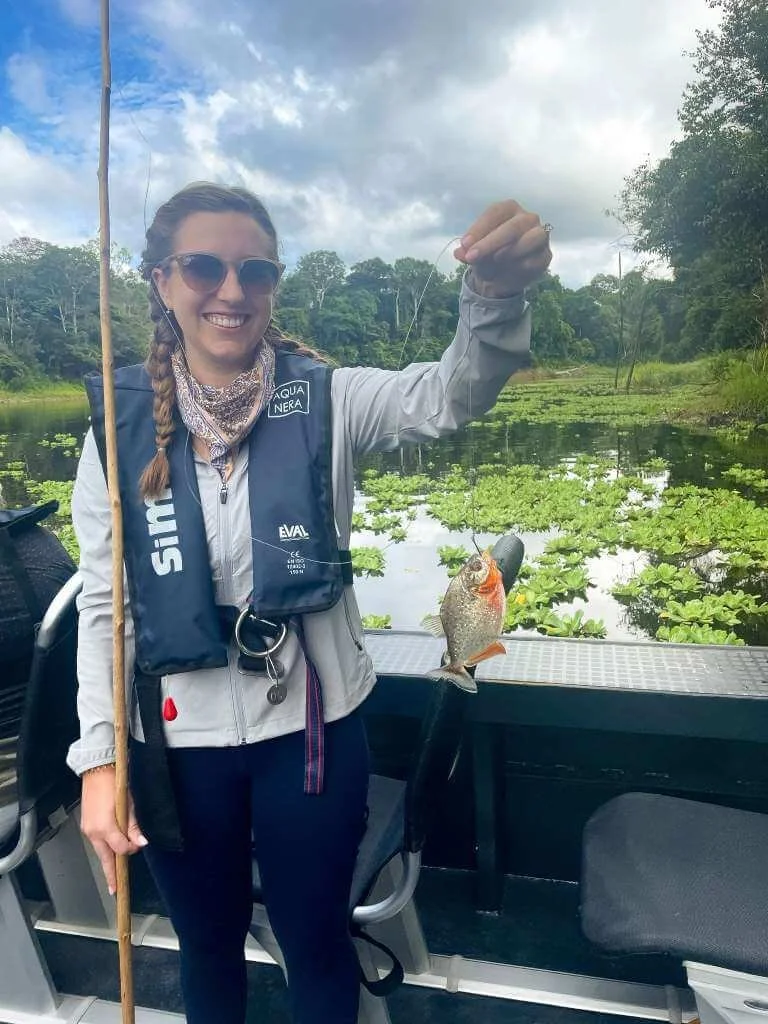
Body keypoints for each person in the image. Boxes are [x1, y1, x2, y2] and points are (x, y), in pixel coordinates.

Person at [66, 181, 551, 1024]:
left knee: (316, 939)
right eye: (203, 267)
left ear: (273, 283)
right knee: (206, 947)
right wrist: (101, 763)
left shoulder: (329, 398)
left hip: (314, 735)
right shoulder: (116, 425)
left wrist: (495, 295)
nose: (231, 290)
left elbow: (451, 395)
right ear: (160, 280)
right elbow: (106, 609)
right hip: (177, 745)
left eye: (254, 270)